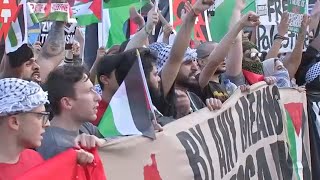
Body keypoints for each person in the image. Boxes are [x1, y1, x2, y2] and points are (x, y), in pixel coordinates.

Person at [0, 78, 94, 179]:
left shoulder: (34, 158)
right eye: (40, 116)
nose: (47, 124)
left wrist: (73, 162)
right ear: (15, 122)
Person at [37, 65, 105, 160]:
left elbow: (117, 143)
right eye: (89, 91)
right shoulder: (56, 147)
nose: (98, 97)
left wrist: (101, 142)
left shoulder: (83, 126)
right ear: (67, 102)